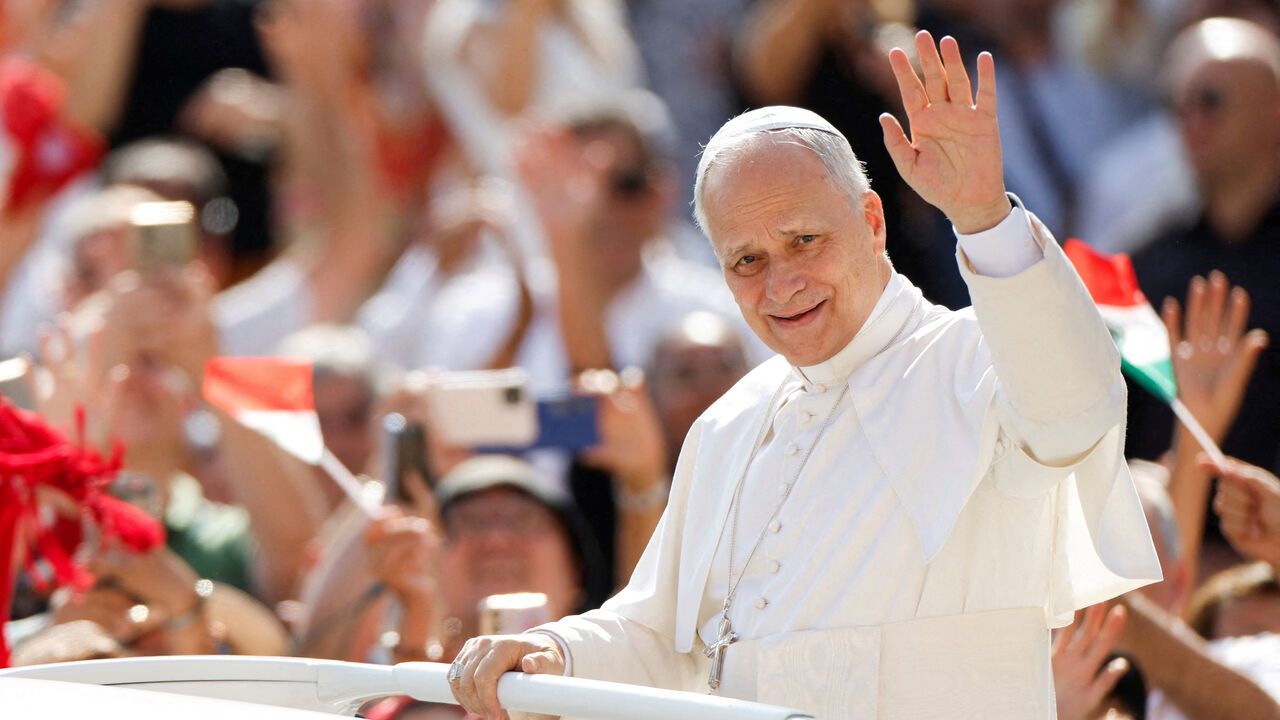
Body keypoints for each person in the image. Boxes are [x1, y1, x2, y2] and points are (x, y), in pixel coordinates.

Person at [448, 30, 1160, 718]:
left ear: (873, 223)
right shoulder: (731, 422)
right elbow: (659, 636)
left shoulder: (974, 360)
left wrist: (981, 218)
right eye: (747, 261)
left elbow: (1075, 411)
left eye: (804, 241)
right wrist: (550, 652)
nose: (782, 284)